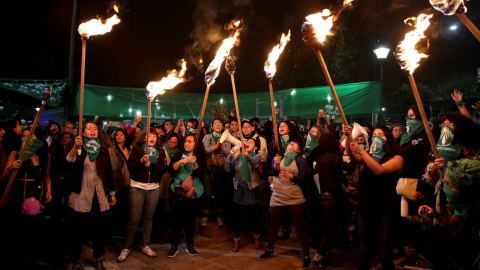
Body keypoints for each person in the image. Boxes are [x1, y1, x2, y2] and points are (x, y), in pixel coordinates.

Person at [343, 125, 402, 270]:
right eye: (374, 134)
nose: (376, 137)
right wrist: (349, 136)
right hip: (364, 208)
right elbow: (352, 155)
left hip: (385, 210)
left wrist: (363, 152)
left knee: (384, 251)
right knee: (364, 249)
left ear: (388, 139)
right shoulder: (367, 155)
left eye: (380, 134)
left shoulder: (396, 158)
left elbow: (379, 170)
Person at [64, 122, 116, 270]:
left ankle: (98, 257)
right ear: (83, 132)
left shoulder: (103, 149)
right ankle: (72, 259)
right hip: (81, 192)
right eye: (89, 128)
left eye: (94, 128)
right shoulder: (77, 146)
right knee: (76, 230)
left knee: (98, 229)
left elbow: (109, 173)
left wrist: (112, 193)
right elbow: (68, 163)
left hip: (98, 192)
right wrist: (76, 146)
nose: (92, 130)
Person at [0, 126, 52, 266]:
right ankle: (17, 259)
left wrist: (49, 190)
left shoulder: (44, 155)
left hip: (36, 194)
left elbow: (46, 176)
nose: (26, 139)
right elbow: (3, 178)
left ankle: (31, 259)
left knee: (34, 230)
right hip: (18, 193)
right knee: (18, 229)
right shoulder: (15, 154)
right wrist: (11, 169)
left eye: (30, 137)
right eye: (23, 136)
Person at [259, 137, 311, 269]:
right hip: (278, 195)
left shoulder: (301, 159)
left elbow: (303, 178)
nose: (292, 143)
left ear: (298, 150)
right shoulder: (278, 157)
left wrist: (291, 176)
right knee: (274, 225)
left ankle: (306, 256)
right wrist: (275, 164)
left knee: (300, 227)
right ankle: (269, 249)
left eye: (295, 143)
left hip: (294, 196)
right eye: (290, 143)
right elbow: (274, 173)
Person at [419, 158, 480, 269]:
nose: (444, 184)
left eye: (449, 184)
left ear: (467, 190)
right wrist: (435, 214)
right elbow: (453, 225)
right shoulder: (463, 203)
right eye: (444, 181)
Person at [117, 128, 167, 262]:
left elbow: (163, 168)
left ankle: (146, 245)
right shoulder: (137, 149)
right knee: (134, 219)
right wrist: (140, 162)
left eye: (154, 136)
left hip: (153, 188)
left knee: (148, 219)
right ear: (144, 137)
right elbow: (130, 166)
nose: (152, 137)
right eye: (149, 135)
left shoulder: (160, 151)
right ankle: (126, 247)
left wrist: (151, 165)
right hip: (137, 187)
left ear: (157, 138)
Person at [310, 133, 355, 269]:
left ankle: (325, 258)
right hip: (330, 197)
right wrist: (355, 155)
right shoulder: (332, 157)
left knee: (328, 229)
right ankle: (317, 260)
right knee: (331, 231)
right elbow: (348, 167)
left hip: (323, 196)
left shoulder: (321, 158)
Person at [167, 134, 204, 258]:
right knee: (176, 219)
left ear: (195, 144)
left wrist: (195, 163)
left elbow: (201, 172)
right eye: (185, 141)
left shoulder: (199, 156)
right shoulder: (178, 154)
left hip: (193, 192)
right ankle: (174, 245)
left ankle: (190, 245)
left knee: (190, 219)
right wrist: (181, 161)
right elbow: (171, 170)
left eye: (190, 142)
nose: (186, 144)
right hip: (177, 190)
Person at [225, 138, 264, 252]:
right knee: (238, 217)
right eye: (247, 142)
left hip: (251, 189)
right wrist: (230, 155)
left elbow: (256, 164)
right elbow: (227, 168)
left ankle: (257, 237)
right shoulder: (238, 157)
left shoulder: (257, 156)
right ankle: (236, 239)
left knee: (254, 216)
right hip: (238, 189)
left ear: (255, 147)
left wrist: (248, 156)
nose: (247, 144)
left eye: (251, 143)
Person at [201, 118, 230, 226]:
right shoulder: (207, 137)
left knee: (220, 194)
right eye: (215, 124)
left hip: (221, 170)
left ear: (223, 127)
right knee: (207, 193)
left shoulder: (226, 138)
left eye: (220, 124)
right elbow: (204, 152)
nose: (218, 125)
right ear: (212, 126)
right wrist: (215, 147)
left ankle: (218, 215)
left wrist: (221, 147)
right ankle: (205, 215)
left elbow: (229, 154)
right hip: (208, 170)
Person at [49, 131, 71, 224]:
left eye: (68, 137)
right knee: (56, 201)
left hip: (67, 179)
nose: (67, 139)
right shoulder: (56, 150)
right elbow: (53, 165)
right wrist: (59, 175)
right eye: (65, 138)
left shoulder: (71, 149)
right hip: (57, 179)